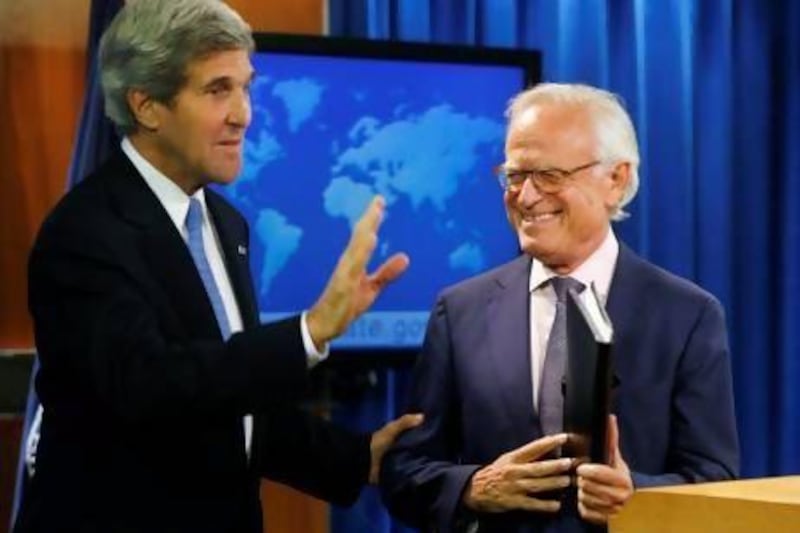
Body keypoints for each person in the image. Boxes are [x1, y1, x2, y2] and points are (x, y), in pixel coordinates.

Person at [14, 1, 422, 531]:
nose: (244, 113)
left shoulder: (225, 224)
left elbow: (228, 401)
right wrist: (310, 330)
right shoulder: (85, 233)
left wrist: (355, 457)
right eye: (217, 90)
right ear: (147, 106)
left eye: (245, 86)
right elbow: (153, 389)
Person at [379, 83, 739, 532]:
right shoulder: (460, 311)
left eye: (548, 175)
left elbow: (716, 480)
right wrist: (474, 487)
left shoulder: (688, 315)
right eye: (514, 176)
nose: (525, 196)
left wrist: (635, 495)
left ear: (616, 179)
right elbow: (406, 471)